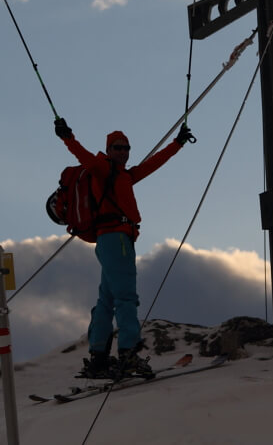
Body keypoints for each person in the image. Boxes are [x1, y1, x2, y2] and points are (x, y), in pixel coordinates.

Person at [54, 117, 194, 378]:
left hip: (112, 241)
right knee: (126, 298)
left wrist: (178, 143)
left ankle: (98, 357)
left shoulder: (124, 176)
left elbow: (153, 164)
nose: (123, 152)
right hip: (116, 239)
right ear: (108, 150)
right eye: (117, 147)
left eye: (126, 148)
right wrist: (67, 137)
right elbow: (82, 154)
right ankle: (128, 355)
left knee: (106, 301)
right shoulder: (103, 169)